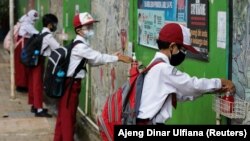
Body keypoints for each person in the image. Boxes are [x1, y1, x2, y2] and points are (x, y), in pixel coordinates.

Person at [53, 12, 133, 141]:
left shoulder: (79, 45)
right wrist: (117, 58)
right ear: (78, 30)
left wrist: (113, 56)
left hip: (69, 86)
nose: (91, 29)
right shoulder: (80, 47)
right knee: (68, 122)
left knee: (63, 120)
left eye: (91, 26)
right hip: (70, 87)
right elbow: (97, 57)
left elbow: (93, 61)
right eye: (87, 26)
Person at [136, 23, 236, 125]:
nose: (184, 54)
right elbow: (192, 85)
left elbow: (179, 94)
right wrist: (219, 82)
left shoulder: (155, 63)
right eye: (183, 50)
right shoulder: (164, 69)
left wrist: (211, 90)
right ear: (173, 46)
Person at [28, 13, 61, 117]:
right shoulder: (48, 36)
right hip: (39, 61)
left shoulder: (41, 32)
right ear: (50, 25)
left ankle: (34, 105)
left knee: (34, 83)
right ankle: (38, 109)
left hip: (34, 60)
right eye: (55, 24)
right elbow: (58, 48)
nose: (55, 26)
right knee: (38, 85)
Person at [15, 9, 39, 93]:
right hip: (22, 46)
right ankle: (22, 85)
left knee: (21, 66)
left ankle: (21, 84)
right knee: (22, 66)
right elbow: (36, 33)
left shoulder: (25, 21)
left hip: (22, 46)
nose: (34, 21)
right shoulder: (26, 24)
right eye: (34, 19)